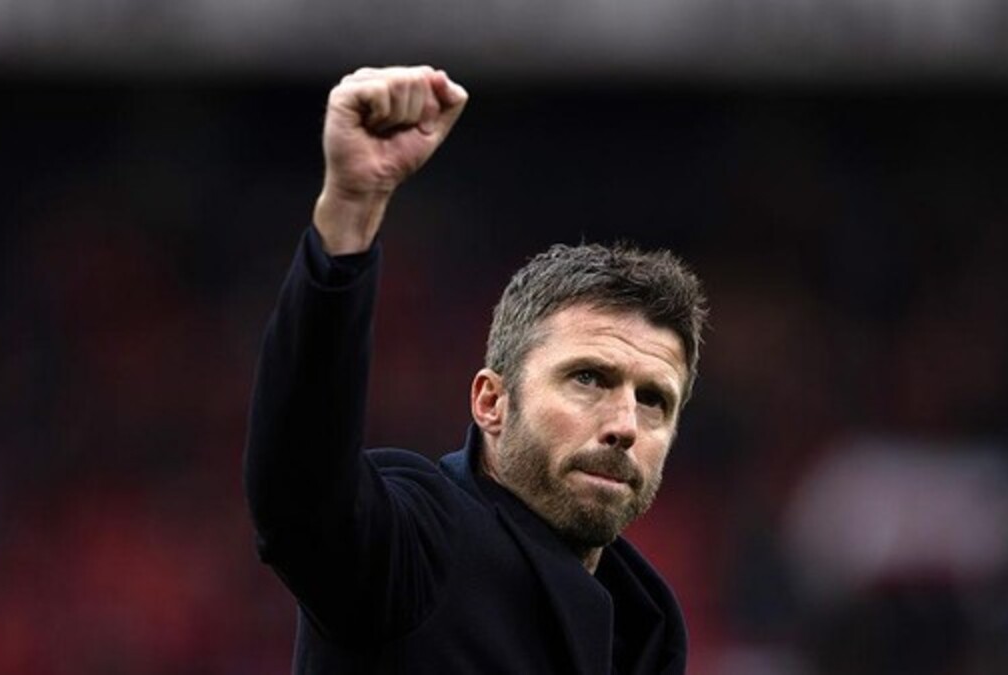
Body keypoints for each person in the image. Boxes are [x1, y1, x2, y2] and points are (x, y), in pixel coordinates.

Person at [244, 65, 706, 674]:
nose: (624, 424)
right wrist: (350, 211)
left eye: (653, 400)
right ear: (492, 402)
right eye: (588, 378)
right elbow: (300, 497)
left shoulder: (645, 631)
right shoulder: (419, 548)